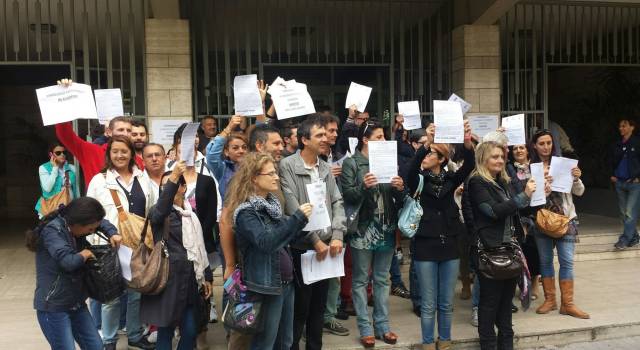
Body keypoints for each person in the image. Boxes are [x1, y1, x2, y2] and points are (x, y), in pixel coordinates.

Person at [225, 153, 312, 349]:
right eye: (270, 173)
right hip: (266, 287)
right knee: (265, 343)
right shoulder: (246, 213)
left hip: (286, 283)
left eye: (276, 172)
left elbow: (286, 236)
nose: (276, 177)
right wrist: (297, 218)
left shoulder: (271, 206)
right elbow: (267, 242)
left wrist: (318, 230)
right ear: (254, 178)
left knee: (286, 342)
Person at [279, 115, 346, 350]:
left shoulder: (325, 167)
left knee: (319, 309)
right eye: (319, 135)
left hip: (328, 247)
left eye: (325, 134)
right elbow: (291, 207)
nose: (325, 138)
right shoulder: (287, 166)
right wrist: (315, 240)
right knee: (300, 310)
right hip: (303, 249)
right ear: (304, 139)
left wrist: (337, 234)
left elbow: (337, 201)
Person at [407, 121, 475, 350]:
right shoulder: (418, 179)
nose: (426, 157)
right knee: (428, 303)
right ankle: (427, 343)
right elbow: (411, 168)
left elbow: (470, 165)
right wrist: (426, 143)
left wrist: (466, 143)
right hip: (425, 246)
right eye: (426, 153)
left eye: (432, 154)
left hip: (450, 246)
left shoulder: (450, 179)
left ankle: (444, 341)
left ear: (442, 159)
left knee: (446, 302)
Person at [86, 136, 155, 350]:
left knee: (136, 294)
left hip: (138, 247)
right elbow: (90, 214)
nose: (119, 155)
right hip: (109, 247)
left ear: (131, 153)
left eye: (124, 151)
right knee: (111, 298)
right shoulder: (100, 180)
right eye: (115, 151)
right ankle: (109, 340)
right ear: (109, 155)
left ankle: (134, 335)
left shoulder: (143, 178)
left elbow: (151, 211)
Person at [340, 121, 405, 347]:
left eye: (384, 137)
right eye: (379, 137)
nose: (384, 141)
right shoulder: (352, 163)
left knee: (381, 278)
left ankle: (383, 326)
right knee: (360, 280)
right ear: (366, 140)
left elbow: (397, 197)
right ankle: (365, 328)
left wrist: (399, 187)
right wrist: (363, 186)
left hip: (386, 227)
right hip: (363, 229)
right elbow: (347, 195)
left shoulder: (388, 160)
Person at [28, 197, 122, 350]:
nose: (92, 232)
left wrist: (112, 233)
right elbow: (68, 261)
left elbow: (101, 222)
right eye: (90, 229)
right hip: (54, 307)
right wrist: (84, 254)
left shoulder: (74, 225)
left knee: (96, 347)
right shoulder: (53, 231)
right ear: (78, 223)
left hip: (76, 303)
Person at [467, 141, 535, 350]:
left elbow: (512, 208)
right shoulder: (477, 182)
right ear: (483, 159)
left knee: (505, 308)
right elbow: (493, 212)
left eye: (501, 156)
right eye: (494, 156)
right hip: (489, 252)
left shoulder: (501, 181)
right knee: (489, 306)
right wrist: (524, 196)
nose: (499, 160)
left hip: (509, 249)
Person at [140, 161, 213, 350]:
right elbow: (159, 211)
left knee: (190, 331)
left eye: (171, 185)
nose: (166, 190)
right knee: (165, 332)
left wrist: (207, 277)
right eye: (163, 187)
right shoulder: (159, 212)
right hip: (168, 281)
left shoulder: (191, 214)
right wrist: (172, 178)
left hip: (190, 281)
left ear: (184, 187)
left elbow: (199, 248)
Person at [529, 129, 589, 319]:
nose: (546, 147)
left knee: (567, 262)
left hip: (566, 220)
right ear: (535, 146)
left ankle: (568, 304)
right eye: (542, 143)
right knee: (546, 262)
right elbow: (526, 197)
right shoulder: (531, 168)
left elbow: (579, 192)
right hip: (542, 220)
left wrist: (577, 178)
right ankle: (550, 300)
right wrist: (541, 186)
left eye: (548, 143)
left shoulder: (563, 164)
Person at [54, 79, 143, 187]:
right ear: (109, 132)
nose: (125, 133)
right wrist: (64, 96)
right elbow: (65, 135)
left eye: (128, 130)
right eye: (120, 130)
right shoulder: (91, 151)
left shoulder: (138, 160)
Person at [506, 144, 541, 300]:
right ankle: (520, 283)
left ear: (528, 150)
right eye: (515, 149)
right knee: (518, 253)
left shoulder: (536, 168)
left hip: (534, 215)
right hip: (516, 215)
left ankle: (534, 283)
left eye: (522, 148)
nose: (519, 151)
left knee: (534, 251)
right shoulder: (508, 169)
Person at [611, 119, 640, 249]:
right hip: (620, 182)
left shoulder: (637, 142)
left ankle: (624, 239)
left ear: (632, 127)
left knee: (629, 213)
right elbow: (610, 160)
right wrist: (612, 175)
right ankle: (634, 236)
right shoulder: (617, 144)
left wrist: (638, 177)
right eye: (620, 126)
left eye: (624, 126)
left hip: (634, 184)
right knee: (623, 213)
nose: (621, 128)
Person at [205, 115, 248, 198]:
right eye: (235, 148)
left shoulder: (253, 167)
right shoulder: (223, 169)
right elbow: (211, 155)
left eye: (244, 147)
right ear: (226, 152)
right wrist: (229, 127)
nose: (241, 151)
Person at [35, 143, 80, 217]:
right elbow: (47, 188)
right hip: (51, 209)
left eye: (64, 152)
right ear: (51, 154)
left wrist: (78, 207)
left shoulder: (72, 168)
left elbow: (76, 189)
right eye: (58, 153)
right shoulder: (43, 168)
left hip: (69, 209)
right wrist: (55, 168)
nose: (62, 155)